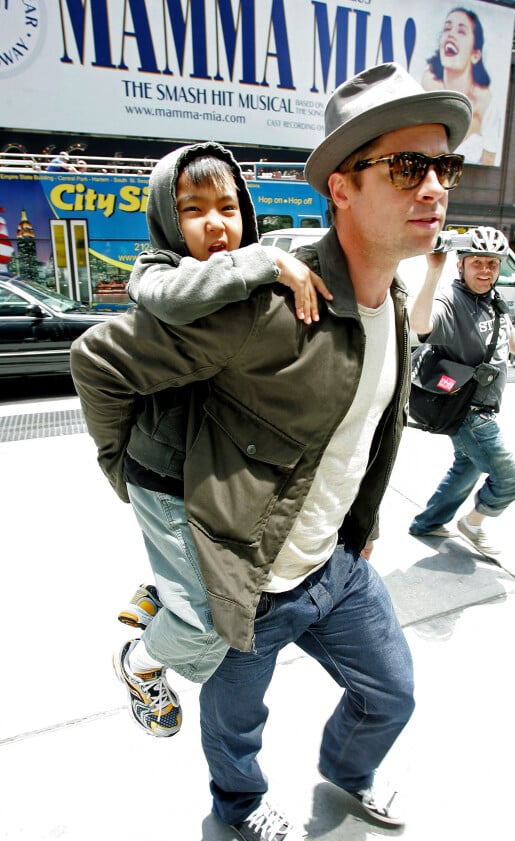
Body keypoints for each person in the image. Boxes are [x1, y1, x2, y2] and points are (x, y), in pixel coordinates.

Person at [71, 62, 472, 841]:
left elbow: (369, 433)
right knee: (235, 727)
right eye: (407, 166)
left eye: (444, 167)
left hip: (338, 566)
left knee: (391, 693)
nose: (434, 187)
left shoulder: (392, 297)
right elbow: (99, 363)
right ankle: (241, 803)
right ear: (342, 188)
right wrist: (129, 473)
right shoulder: (262, 304)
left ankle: (345, 772)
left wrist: (362, 526)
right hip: (250, 577)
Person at [99, 140, 332, 738]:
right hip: (166, 478)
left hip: (220, 473)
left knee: (227, 584)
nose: (216, 224)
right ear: (165, 217)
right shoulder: (157, 271)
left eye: (228, 207)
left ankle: (161, 589)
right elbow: (179, 298)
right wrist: (270, 262)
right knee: (206, 624)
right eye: (193, 209)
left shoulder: (250, 280)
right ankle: (144, 664)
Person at [409, 227, 515, 560]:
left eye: (492, 263)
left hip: (481, 406)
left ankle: (427, 523)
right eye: (477, 263)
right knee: (509, 481)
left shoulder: (490, 300)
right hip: (469, 412)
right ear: (461, 265)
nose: (485, 270)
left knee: (466, 468)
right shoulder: (452, 300)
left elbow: (512, 341)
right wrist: (432, 272)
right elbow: (419, 325)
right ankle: (473, 525)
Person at [422, 7, 500, 165]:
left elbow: (489, 161)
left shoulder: (487, 105)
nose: (451, 34)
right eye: (447, 28)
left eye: (461, 31)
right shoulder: (424, 85)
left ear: (475, 55)